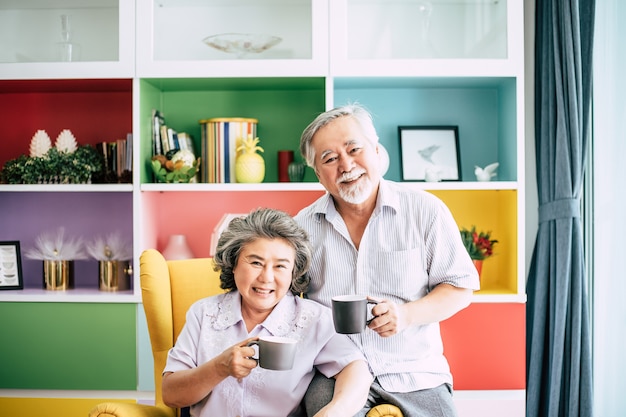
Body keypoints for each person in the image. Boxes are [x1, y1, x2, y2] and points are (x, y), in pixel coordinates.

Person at [295, 104, 480, 417]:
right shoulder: (303, 227)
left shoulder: (425, 210)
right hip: (334, 373)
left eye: (354, 149)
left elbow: (460, 288)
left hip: (416, 373)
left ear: (376, 150)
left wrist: (406, 315)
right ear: (318, 174)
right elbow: (286, 303)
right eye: (330, 159)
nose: (346, 165)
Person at [162, 208, 373, 417]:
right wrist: (219, 368)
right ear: (233, 263)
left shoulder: (313, 319)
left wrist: (332, 413)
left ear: (293, 272)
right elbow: (170, 394)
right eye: (255, 263)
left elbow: (356, 369)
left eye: (280, 266)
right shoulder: (204, 313)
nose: (266, 278)